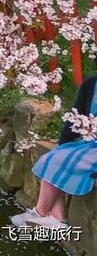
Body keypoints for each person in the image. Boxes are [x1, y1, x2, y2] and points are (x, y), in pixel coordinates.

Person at [12, 74, 97, 229]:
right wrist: (62, 145)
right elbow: (74, 116)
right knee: (52, 157)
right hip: (89, 143)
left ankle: (41, 213)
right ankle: (57, 217)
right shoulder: (91, 84)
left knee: (58, 159)